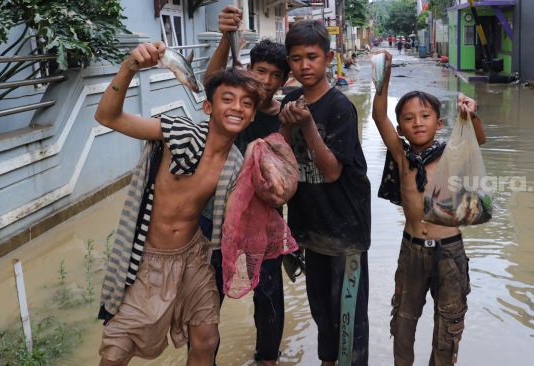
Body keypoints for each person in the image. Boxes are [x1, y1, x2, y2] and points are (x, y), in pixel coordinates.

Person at [95, 41, 263, 366]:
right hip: (148, 259)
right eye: (227, 98)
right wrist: (130, 66)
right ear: (208, 107)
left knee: (207, 340)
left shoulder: (237, 164)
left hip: (194, 258)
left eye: (246, 103)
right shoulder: (178, 132)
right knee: (116, 351)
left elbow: (236, 223)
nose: (237, 107)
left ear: (253, 115)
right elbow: (107, 116)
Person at [371, 50, 486, 366]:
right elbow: (378, 116)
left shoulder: (453, 152)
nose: (417, 122)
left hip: (449, 251)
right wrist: (384, 76)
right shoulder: (402, 157)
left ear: (439, 122)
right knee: (404, 319)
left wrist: (471, 114)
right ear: (401, 128)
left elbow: (479, 140)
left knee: (448, 325)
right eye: (408, 118)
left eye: (425, 116)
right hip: (412, 250)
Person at [200, 6, 292, 366]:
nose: (267, 81)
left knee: (269, 295)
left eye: (275, 75)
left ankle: (268, 359)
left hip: (264, 219)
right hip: (216, 215)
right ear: (247, 70)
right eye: (260, 71)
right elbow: (213, 82)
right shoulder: (233, 109)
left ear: (283, 81)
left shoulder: (284, 118)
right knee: (207, 298)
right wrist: (226, 37)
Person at [279, 20, 371, 366]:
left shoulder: (339, 108)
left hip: (346, 232)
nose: (304, 65)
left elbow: (332, 171)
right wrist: (288, 126)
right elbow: (282, 161)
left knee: (348, 319)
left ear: (328, 58)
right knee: (321, 313)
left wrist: (304, 125)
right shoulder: (290, 100)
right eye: (296, 58)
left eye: (312, 57)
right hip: (311, 231)